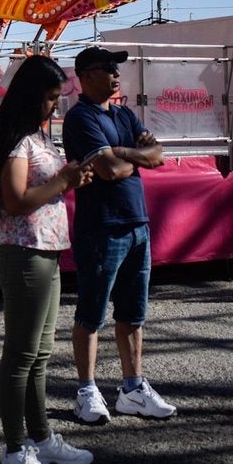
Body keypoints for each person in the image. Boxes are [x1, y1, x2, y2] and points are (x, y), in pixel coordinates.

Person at [0, 56, 95, 464]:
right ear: (30, 95)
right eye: (48, 98)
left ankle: (41, 438)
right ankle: (14, 451)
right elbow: (15, 201)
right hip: (23, 252)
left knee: (40, 353)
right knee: (21, 355)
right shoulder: (14, 140)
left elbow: (37, 193)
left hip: (45, 251)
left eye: (56, 98)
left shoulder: (33, 137)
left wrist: (68, 180)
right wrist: (63, 180)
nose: (53, 106)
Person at [63, 46, 174, 423]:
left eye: (116, 68)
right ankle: (87, 390)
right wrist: (128, 157)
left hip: (137, 224)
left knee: (133, 314)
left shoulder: (124, 113)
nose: (115, 74)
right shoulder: (79, 118)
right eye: (107, 68)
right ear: (86, 75)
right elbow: (109, 170)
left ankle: (133, 388)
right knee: (91, 313)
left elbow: (158, 154)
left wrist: (121, 151)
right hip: (101, 228)